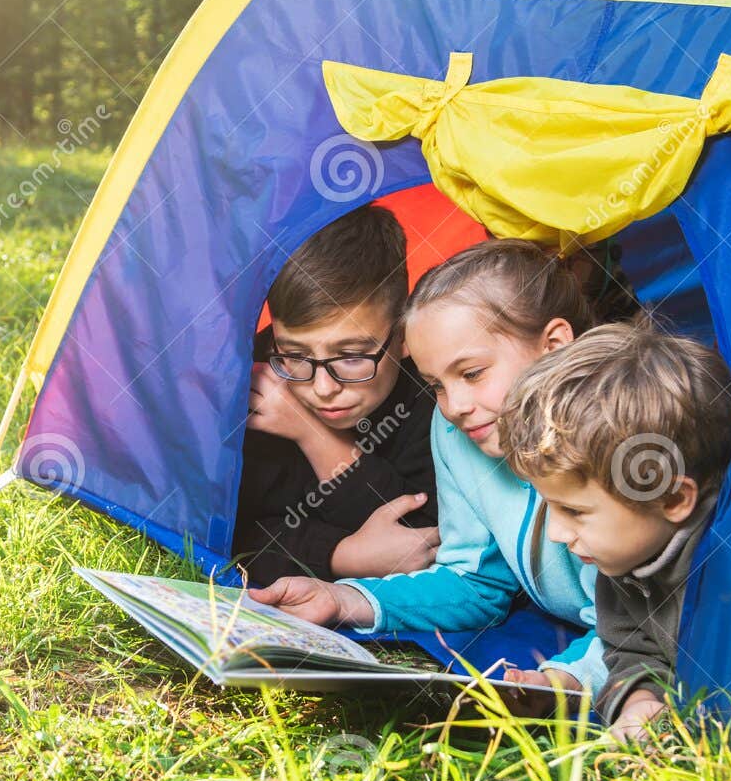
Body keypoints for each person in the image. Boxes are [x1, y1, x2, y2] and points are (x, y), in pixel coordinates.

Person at [250, 240, 607, 699]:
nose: (455, 405)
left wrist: (570, 678)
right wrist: (344, 598)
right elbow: (476, 582)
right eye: (436, 384)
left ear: (554, 346)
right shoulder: (456, 430)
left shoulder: (617, 437)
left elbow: (650, 621)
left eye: (473, 373)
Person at [497, 320, 731, 739]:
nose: (556, 533)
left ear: (672, 500)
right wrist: (640, 702)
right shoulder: (621, 566)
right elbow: (631, 652)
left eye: (573, 510)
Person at [233, 205, 439, 586]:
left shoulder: (439, 398)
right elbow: (233, 530)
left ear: (404, 334)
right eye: (296, 354)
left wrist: (315, 436)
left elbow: (420, 539)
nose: (323, 389)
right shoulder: (256, 380)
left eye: (351, 356)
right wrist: (341, 556)